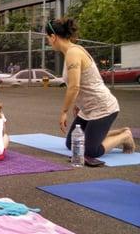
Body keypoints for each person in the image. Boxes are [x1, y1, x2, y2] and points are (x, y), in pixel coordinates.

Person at [46, 18, 135, 164]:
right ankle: (119, 131)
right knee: (72, 143)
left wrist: (63, 112)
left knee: (90, 151)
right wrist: (78, 104)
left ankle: (124, 136)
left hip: (103, 107)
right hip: (88, 109)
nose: (48, 41)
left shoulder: (73, 53)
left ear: (53, 37)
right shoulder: (72, 51)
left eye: (48, 38)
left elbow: (74, 87)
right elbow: (84, 81)